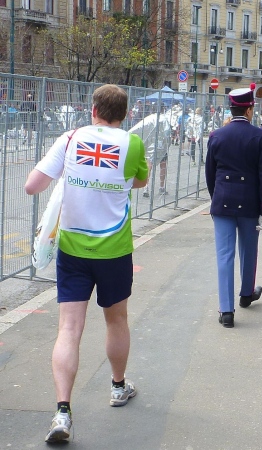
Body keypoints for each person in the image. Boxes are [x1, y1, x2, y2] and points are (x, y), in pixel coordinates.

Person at [24, 84, 148, 443]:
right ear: (125, 114)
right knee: (116, 320)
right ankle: (118, 387)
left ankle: (62, 412)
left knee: (69, 329)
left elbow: (32, 186)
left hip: (73, 250)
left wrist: (72, 173)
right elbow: (140, 180)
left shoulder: (70, 139)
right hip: (115, 251)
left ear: (93, 110)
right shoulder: (132, 143)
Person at [205, 84, 262, 328]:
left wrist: (216, 197)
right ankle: (246, 293)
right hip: (250, 202)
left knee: (225, 255)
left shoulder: (216, 136)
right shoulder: (261, 136)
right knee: (249, 250)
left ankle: (226, 310)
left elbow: (210, 174)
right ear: (249, 110)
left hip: (223, 200)